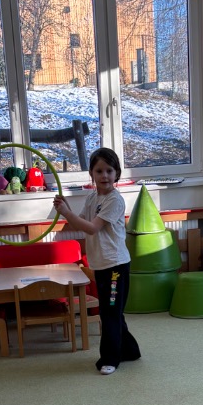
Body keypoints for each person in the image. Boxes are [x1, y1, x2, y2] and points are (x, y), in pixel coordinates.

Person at [53, 147, 140, 375]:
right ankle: (130, 350)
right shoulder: (93, 197)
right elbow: (79, 223)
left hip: (115, 267)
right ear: (91, 173)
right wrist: (66, 210)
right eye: (99, 171)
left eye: (109, 171)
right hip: (101, 266)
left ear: (117, 173)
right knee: (112, 311)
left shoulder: (114, 200)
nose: (104, 176)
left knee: (110, 312)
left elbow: (92, 228)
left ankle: (110, 359)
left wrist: (67, 212)